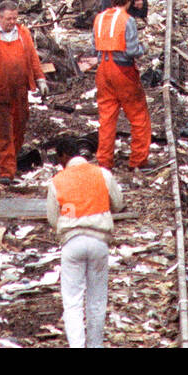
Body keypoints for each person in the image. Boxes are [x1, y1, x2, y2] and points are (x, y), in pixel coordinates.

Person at [46, 135, 124, 349]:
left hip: (72, 243)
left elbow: (53, 219)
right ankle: (95, 345)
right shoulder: (103, 174)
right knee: (97, 300)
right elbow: (118, 204)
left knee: (72, 302)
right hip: (99, 242)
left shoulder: (57, 180)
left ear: (63, 155)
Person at [0, 1, 47, 183]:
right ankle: (6, 171)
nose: (12, 22)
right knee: (3, 130)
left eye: (15, 18)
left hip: (20, 90)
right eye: (8, 19)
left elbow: (33, 58)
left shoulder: (23, 33)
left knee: (20, 126)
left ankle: (10, 156)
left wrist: (41, 79)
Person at [86, 0, 152, 172]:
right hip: (122, 70)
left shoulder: (99, 18)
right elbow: (132, 51)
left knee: (106, 118)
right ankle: (138, 160)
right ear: (129, 1)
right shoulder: (127, 20)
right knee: (138, 116)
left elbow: (93, 47)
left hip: (103, 69)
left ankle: (104, 161)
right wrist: (144, 49)